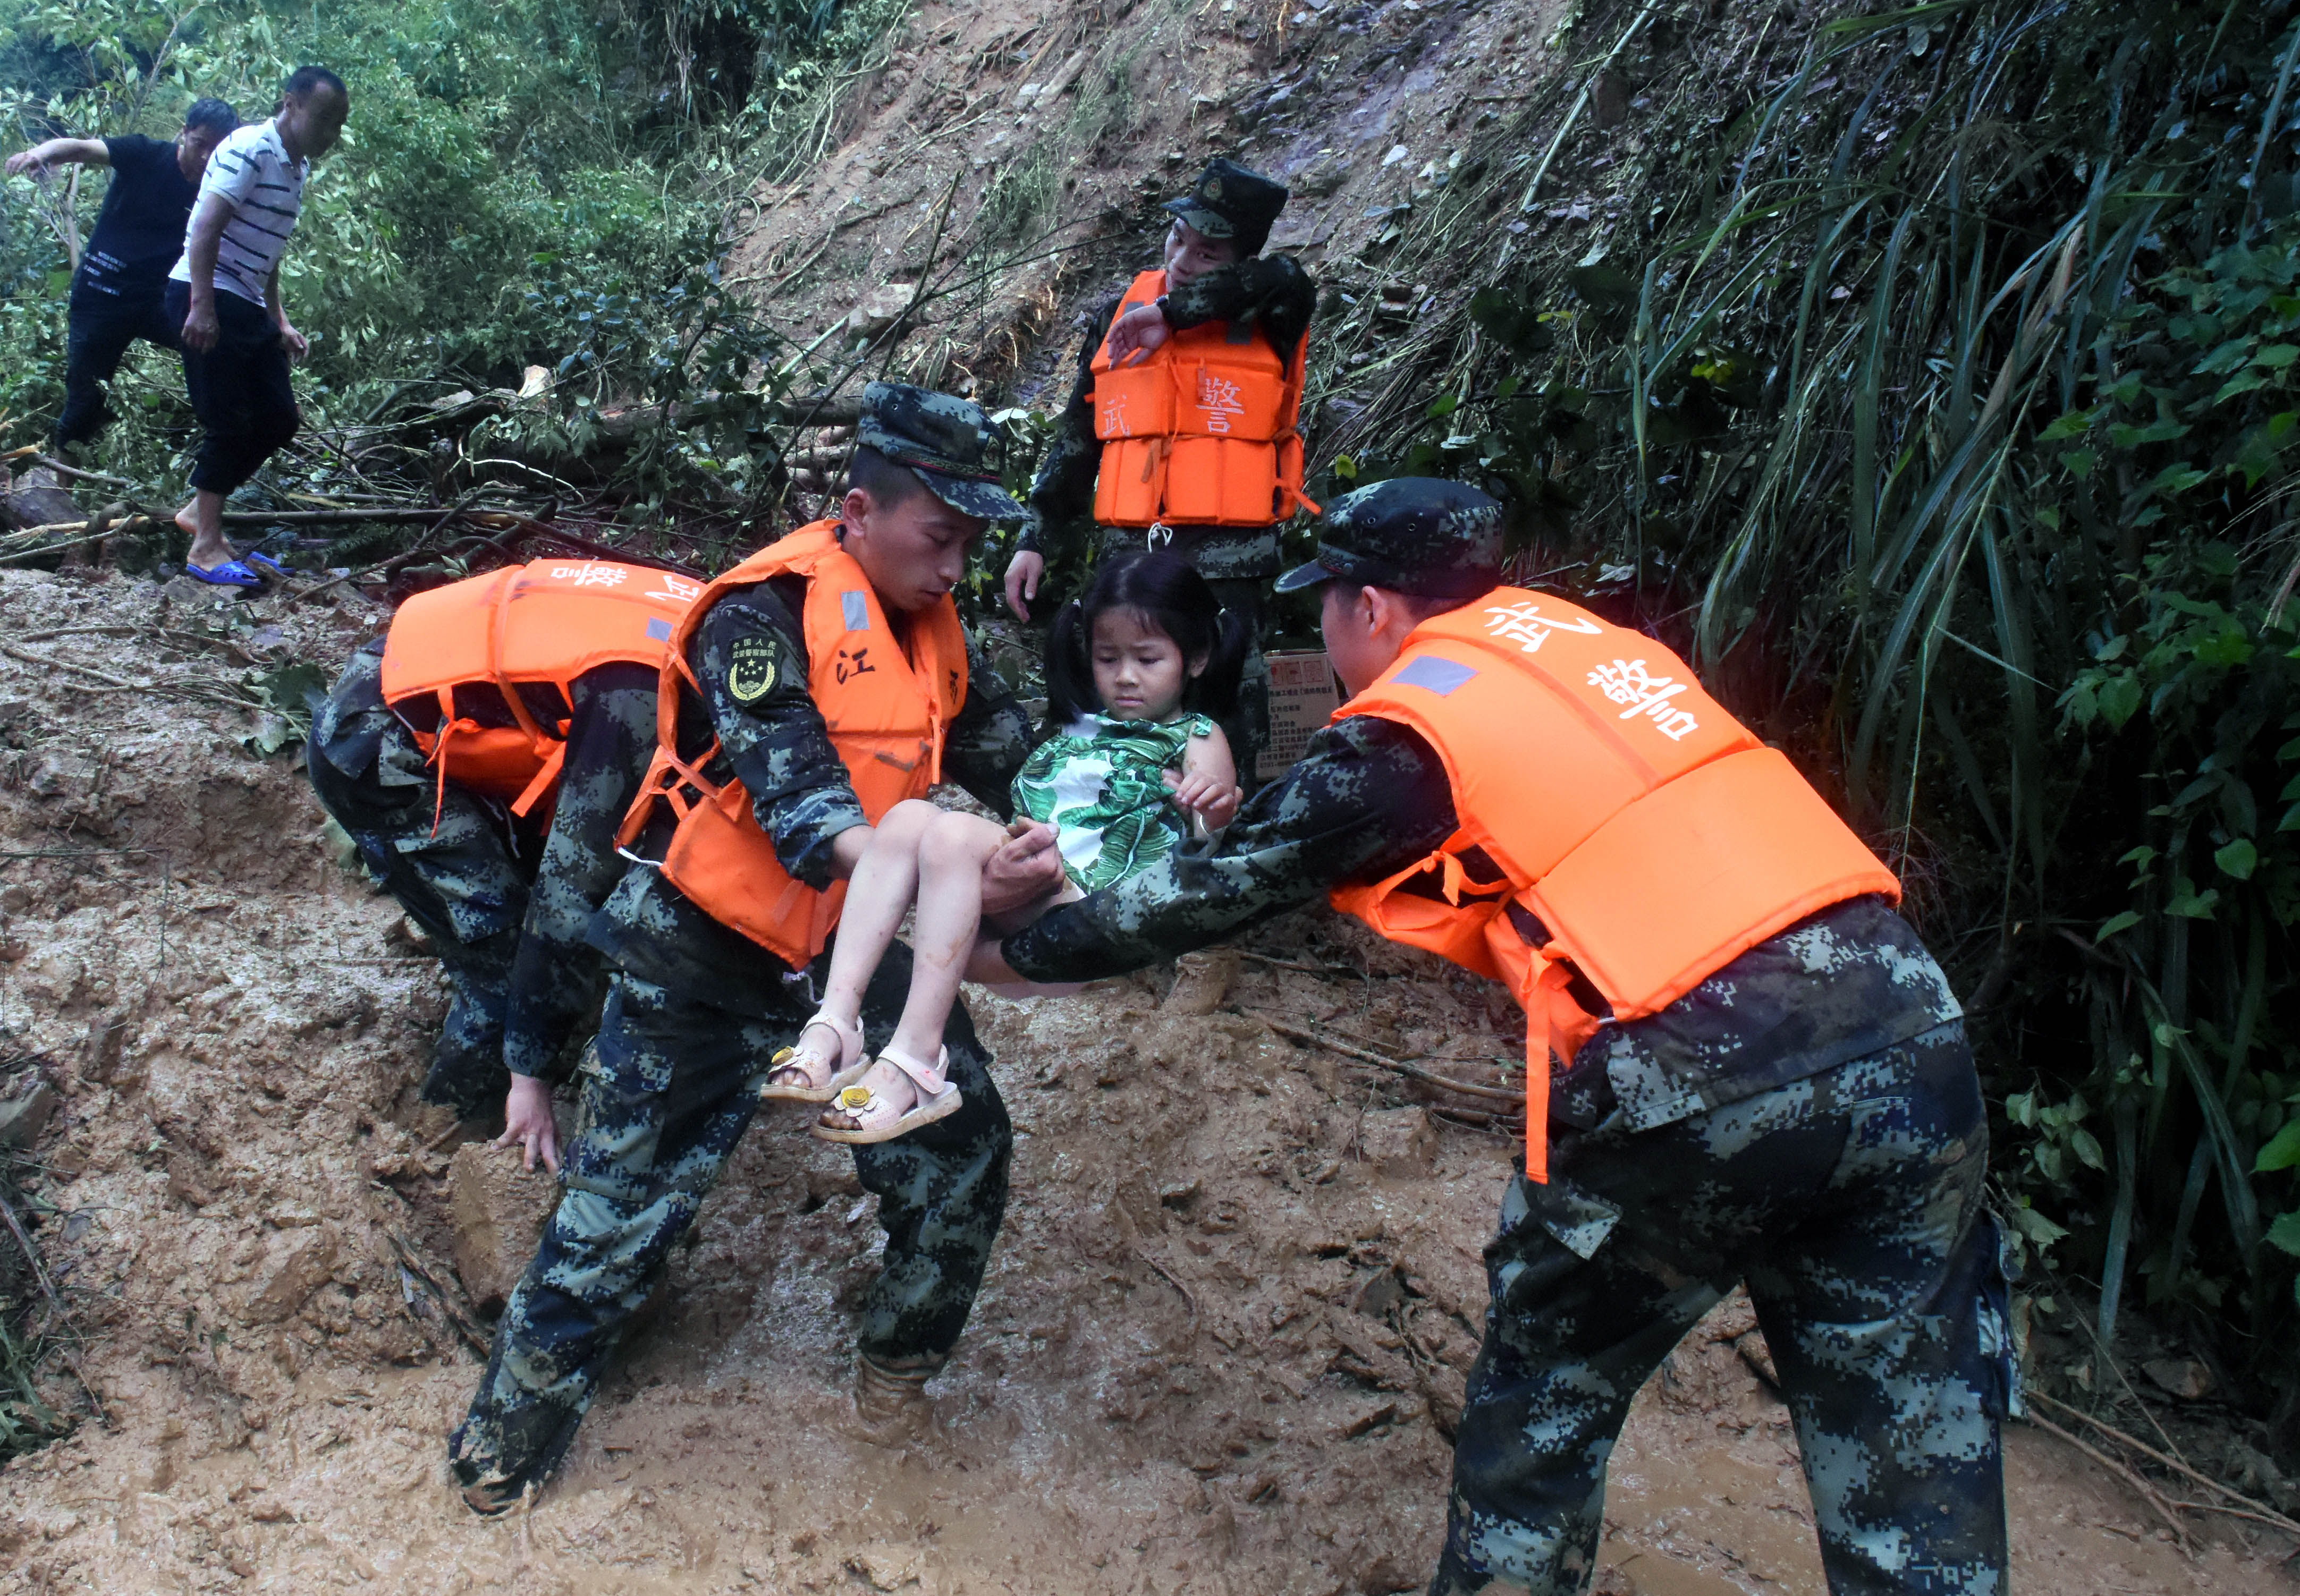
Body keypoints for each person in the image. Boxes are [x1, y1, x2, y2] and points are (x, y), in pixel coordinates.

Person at [977, 478, 2012, 1596]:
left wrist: (1011, 954)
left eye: (1322, 605)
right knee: (1909, 1451)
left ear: (1367, 606)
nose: (1324, 634)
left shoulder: (1418, 719)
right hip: (1913, 1035)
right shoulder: (1578, 646)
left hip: (1698, 1067)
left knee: (1545, 1409)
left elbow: (1212, 888)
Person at [446, 382, 1067, 1514]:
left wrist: (1148, 773)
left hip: (855, 952)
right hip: (707, 955)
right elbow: (806, 811)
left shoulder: (932, 624)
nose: (957, 567)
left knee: (963, 1156)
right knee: (614, 1221)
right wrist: (968, 876)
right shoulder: (761, 615)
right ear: (858, 510)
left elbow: (1024, 756)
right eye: (941, 537)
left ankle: (894, 1378)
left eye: (974, 543)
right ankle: (500, 1452)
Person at [780, 550, 1248, 1146]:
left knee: (950, 830)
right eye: (1108, 659)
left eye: (1147, 659)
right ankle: (834, 1024)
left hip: (1089, 914)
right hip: (1022, 897)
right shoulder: (1079, 729)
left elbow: (1210, 843)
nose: (1125, 676)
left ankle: (918, 1059)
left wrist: (1214, 807)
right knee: (905, 818)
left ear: (1197, 659)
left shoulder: (1195, 735)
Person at [305, 558, 701, 1136]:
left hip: (428, 672)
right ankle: (454, 1128)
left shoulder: (719, 623)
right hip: (377, 738)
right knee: (503, 951)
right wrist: (529, 1075)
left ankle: (521, 1044)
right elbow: (567, 894)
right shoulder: (641, 698)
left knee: (560, 921)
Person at [1002, 156, 1319, 781]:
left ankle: (1213, 858)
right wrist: (1034, 535)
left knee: (1225, 729)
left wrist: (1175, 314)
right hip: (1129, 559)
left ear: (1239, 259)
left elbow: (1286, 277)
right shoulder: (1118, 313)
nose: (1180, 261)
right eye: (1178, 238)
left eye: (1207, 253)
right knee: (1101, 715)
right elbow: (1077, 436)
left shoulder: (1271, 309)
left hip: (1227, 567)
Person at [166, 65, 349, 589]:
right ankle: (205, 546)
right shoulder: (250, 147)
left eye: (340, 123)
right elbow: (205, 230)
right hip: (206, 292)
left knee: (278, 418)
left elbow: (267, 256)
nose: (331, 132)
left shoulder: (298, 167)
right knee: (229, 420)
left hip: (245, 298)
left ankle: (198, 515)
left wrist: (280, 321)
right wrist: (201, 307)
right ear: (290, 104)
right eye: (324, 118)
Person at [4, 98, 240, 455]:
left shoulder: (219, 187)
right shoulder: (146, 154)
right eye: (200, 144)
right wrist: (42, 152)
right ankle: (58, 491)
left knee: (214, 347)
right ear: (184, 133)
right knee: (86, 399)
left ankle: (221, 450)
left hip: (158, 300)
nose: (207, 156)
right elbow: (82, 149)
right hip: (100, 295)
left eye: (218, 147)